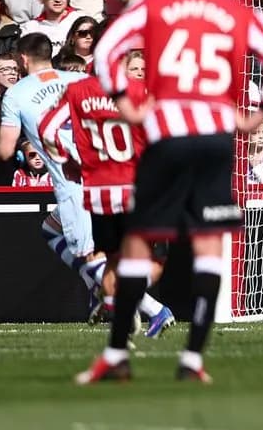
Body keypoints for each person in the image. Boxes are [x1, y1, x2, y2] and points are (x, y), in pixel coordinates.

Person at [81, 0, 263, 384]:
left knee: (139, 238)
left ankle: (117, 354)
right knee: (208, 242)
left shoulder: (153, 4)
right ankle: (193, 360)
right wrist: (257, 115)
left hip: (167, 134)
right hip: (216, 135)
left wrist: (124, 99)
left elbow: (105, 52)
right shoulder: (238, 12)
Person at [41, 50, 173, 334]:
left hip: (98, 190)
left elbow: (47, 128)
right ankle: (125, 302)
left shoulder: (77, 91)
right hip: (135, 186)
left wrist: (69, 161)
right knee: (147, 259)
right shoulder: (139, 92)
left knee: (109, 259)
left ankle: (122, 307)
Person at [0, 33, 103, 312]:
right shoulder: (80, 80)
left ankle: (152, 308)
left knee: (87, 253)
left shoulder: (16, 92)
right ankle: (95, 288)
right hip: (106, 175)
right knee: (51, 229)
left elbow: (7, 150)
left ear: (22, 58)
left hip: (72, 180)